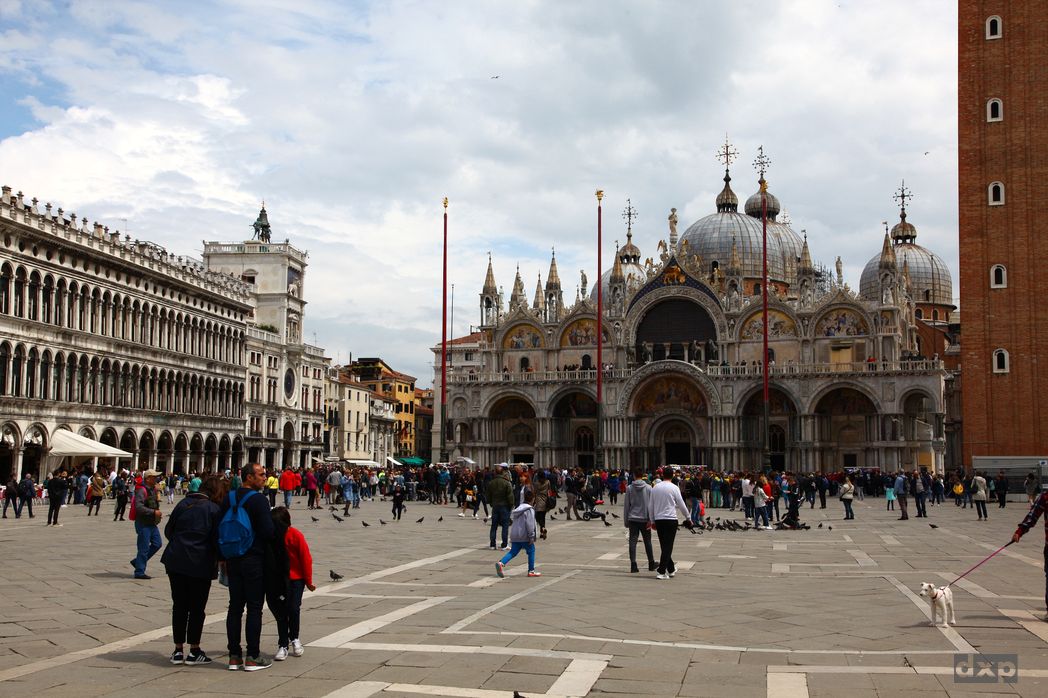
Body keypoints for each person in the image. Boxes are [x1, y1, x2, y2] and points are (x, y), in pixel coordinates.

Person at [161, 474, 225, 665]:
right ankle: (194, 650)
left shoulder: (183, 504)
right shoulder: (214, 509)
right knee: (197, 608)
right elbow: (217, 539)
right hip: (200, 562)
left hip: (175, 560)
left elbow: (168, 531)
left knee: (179, 606)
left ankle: (178, 650)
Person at [221, 462, 275, 671]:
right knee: (254, 608)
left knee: (235, 607)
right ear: (249, 477)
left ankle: (234, 656)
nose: (264, 477)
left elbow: (218, 527)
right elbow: (268, 532)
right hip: (253, 559)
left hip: (232, 558)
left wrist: (222, 557)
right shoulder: (259, 500)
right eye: (261, 474)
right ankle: (252, 656)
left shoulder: (229, 498)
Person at [269, 507, 314, 659]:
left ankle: (294, 637)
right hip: (279, 579)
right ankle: (282, 644)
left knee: (294, 608)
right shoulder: (272, 537)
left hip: (296, 579)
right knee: (281, 613)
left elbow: (305, 558)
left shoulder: (295, 535)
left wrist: (308, 581)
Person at [1011, 486, 1048, 621]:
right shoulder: (1045, 497)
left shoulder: (1045, 496)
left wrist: (1020, 531)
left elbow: (1032, 517)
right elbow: (1032, 516)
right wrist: (1019, 532)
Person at [648, 468, 692, 579]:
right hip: (671, 520)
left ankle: (671, 569)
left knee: (664, 546)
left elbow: (650, 505)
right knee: (668, 546)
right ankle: (661, 571)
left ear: (662, 475)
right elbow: (681, 504)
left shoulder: (655, 487)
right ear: (672, 475)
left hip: (659, 520)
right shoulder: (674, 488)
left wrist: (652, 520)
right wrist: (688, 517)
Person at [495, 489, 540, 578]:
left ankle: (501, 563)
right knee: (531, 550)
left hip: (515, 535)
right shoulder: (529, 510)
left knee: (513, 552)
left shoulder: (518, 508)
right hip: (524, 535)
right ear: (532, 499)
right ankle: (531, 570)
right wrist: (531, 536)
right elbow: (530, 524)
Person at [132, 470, 164, 579]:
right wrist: (153, 512)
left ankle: (137, 562)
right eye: (154, 477)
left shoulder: (153, 489)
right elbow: (139, 507)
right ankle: (139, 572)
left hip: (151, 523)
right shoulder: (142, 490)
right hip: (143, 523)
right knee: (144, 548)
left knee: (157, 543)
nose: (156, 479)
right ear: (148, 479)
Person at [623, 468, 655, 573]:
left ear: (634, 475)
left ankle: (633, 565)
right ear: (643, 475)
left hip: (633, 519)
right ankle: (651, 563)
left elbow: (626, 506)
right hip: (645, 519)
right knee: (648, 541)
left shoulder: (629, 488)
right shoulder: (649, 488)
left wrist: (626, 521)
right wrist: (651, 519)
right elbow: (651, 505)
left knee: (632, 542)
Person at [486, 463, 513, 550]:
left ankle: (492, 544)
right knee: (505, 526)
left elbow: (488, 496)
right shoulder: (507, 482)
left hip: (495, 506)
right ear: (502, 472)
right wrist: (511, 505)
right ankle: (504, 544)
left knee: (494, 526)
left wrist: (491, 503)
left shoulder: (491, 483)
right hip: (505, 506)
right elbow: (510, 496)